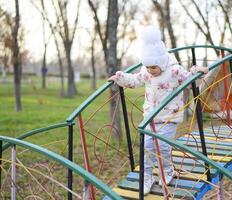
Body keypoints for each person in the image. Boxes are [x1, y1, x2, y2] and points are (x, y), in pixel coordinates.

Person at [108, 26, 208, 195]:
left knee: (162, 146)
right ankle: (147, 177)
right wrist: (119, 78)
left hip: (169, 117)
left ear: (161, 62)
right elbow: (135, 80)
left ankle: (167, 170)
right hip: (150, 118)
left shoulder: (174, 70)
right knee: (146, 147)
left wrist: (197, 71)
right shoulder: (147, 72)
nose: (150, 71)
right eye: (147, 67)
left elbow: (190, 81)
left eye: (153, 67)